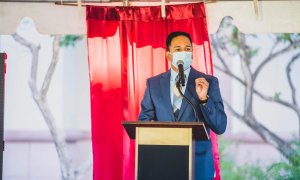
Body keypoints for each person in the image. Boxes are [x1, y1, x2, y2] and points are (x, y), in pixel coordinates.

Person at [138, 31, 227, 179]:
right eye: (178, 49)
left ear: (192, 54)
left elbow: (220, 126)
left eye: (187, 49)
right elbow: (144, 122)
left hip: (198, 161)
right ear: (168, 55)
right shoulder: (153, 84)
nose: (183, 53)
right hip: (163, 161)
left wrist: (204, 99)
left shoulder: (208, 82)